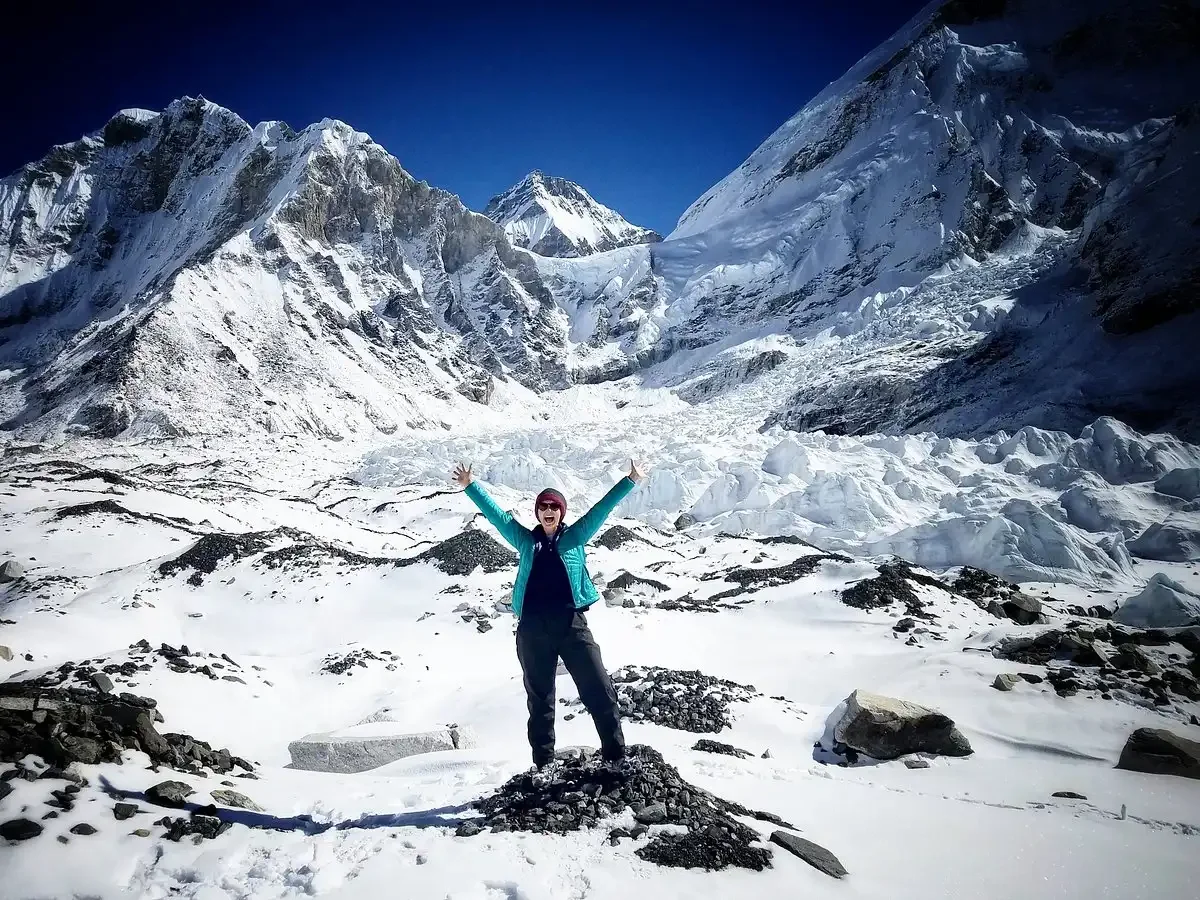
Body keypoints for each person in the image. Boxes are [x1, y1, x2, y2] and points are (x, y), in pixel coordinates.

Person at [453, 459, 644, 772]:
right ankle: (544, 766)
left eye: (554, 506)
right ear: (538, 512)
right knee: (540, 700)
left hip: (572, 625)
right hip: (533, 630)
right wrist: (470, 487)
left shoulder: (575, 537)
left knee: (599, 688)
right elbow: (498, 517)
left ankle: (615, 757)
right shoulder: (526, 541)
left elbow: (601, 509)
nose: (548, 510)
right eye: (543, 506)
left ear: (561, 512)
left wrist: (630, 480)